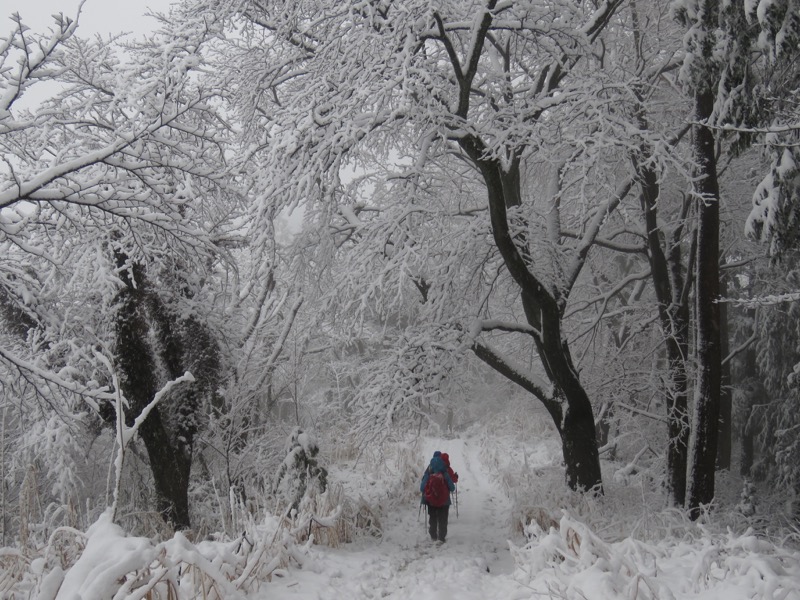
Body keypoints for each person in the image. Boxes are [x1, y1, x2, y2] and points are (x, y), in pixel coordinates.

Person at [420, 451, 455, 543]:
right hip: (444, 502)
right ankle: (442, 537)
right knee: (443, 519)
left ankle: (433, 536)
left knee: (433, 518)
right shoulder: (445, 474)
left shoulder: (429, 473)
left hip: (431, 501)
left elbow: (421, 488)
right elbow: (452, 487)